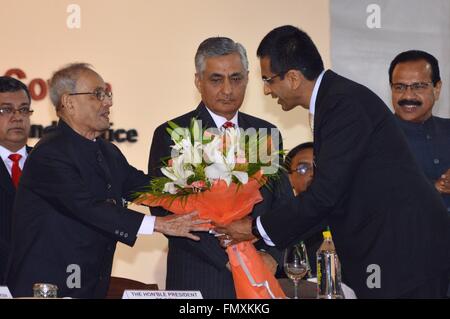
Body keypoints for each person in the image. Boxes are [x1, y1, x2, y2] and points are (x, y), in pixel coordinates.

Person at [216, 25, 450, 298]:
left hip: (406, 253)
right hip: (393, 252)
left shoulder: (343, 104)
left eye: (268, 80)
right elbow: (333, 197)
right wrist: (265, 236)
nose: (267, 90)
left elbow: (326, 195)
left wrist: (255, 228)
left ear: (292, 78)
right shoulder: (335, 100)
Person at [6, 63, 209, 298]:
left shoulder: (107, 151)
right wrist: (160, 224)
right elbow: (88, 208)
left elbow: (144, 187)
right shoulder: (50, 153)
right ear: (69, 102)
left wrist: (197, 187)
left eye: (108, 94)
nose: (108, 102)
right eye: (97, 94)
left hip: (90, 283)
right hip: (47, 288)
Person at [148, 37, 292, 298]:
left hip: (260, 273)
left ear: (248, 78)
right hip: (200, 277)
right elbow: (164, 210)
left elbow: (282, 204)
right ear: (198, 81)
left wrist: (272, 256)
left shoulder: (264, 133)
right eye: (216, 79)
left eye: (236, 78)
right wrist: (230, 257)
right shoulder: (175, 134)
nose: (227, 89)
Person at [389, 50, 450, 214]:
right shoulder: (374, 138)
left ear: (437, 89)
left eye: (418, 86)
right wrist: (433, 187)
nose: (408, 95)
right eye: (399, 87)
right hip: (404, 237)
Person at [0, 77, 32, 284]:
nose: (17, 117)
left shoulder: (51, 164)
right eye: (5, 110)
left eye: (23, 109)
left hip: (43, 284)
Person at [283, 142, 324, 277]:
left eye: (320, 166)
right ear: (289, 179)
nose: (313, 173)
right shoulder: (279, 222)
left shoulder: (351, 217)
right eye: (303, 168)